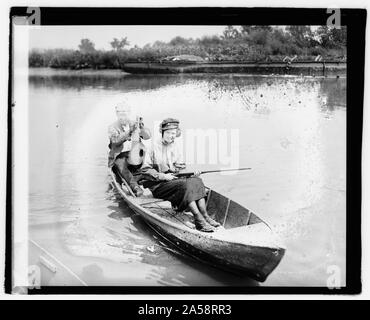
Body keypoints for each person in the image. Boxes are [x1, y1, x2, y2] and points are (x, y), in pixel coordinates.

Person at [138, 118, 221, 232]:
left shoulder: (175, 146)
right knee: (185, 185)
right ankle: (198, 220)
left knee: (197, 181)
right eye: (168, 133)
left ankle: (205, 216)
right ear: (162, 132)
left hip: (173, 181)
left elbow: (180, 167)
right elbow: (145, 170)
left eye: (173, 133)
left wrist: (192, 172)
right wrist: (163, 176)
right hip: (159, 185)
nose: (171, 136)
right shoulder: (153, 147)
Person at [108, 102, 151, 196]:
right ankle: (136, 188)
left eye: (124, 114)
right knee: (120, 163)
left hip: (134, 155)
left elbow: (147, 136)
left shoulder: (134, 123)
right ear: (116, 114)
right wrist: (129, 131)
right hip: (119, 156)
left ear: (129, 114)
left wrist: (142, 128)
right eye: (120, 114)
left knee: (146, 161)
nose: (122, 117)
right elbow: (115, 141)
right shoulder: (112, 127)